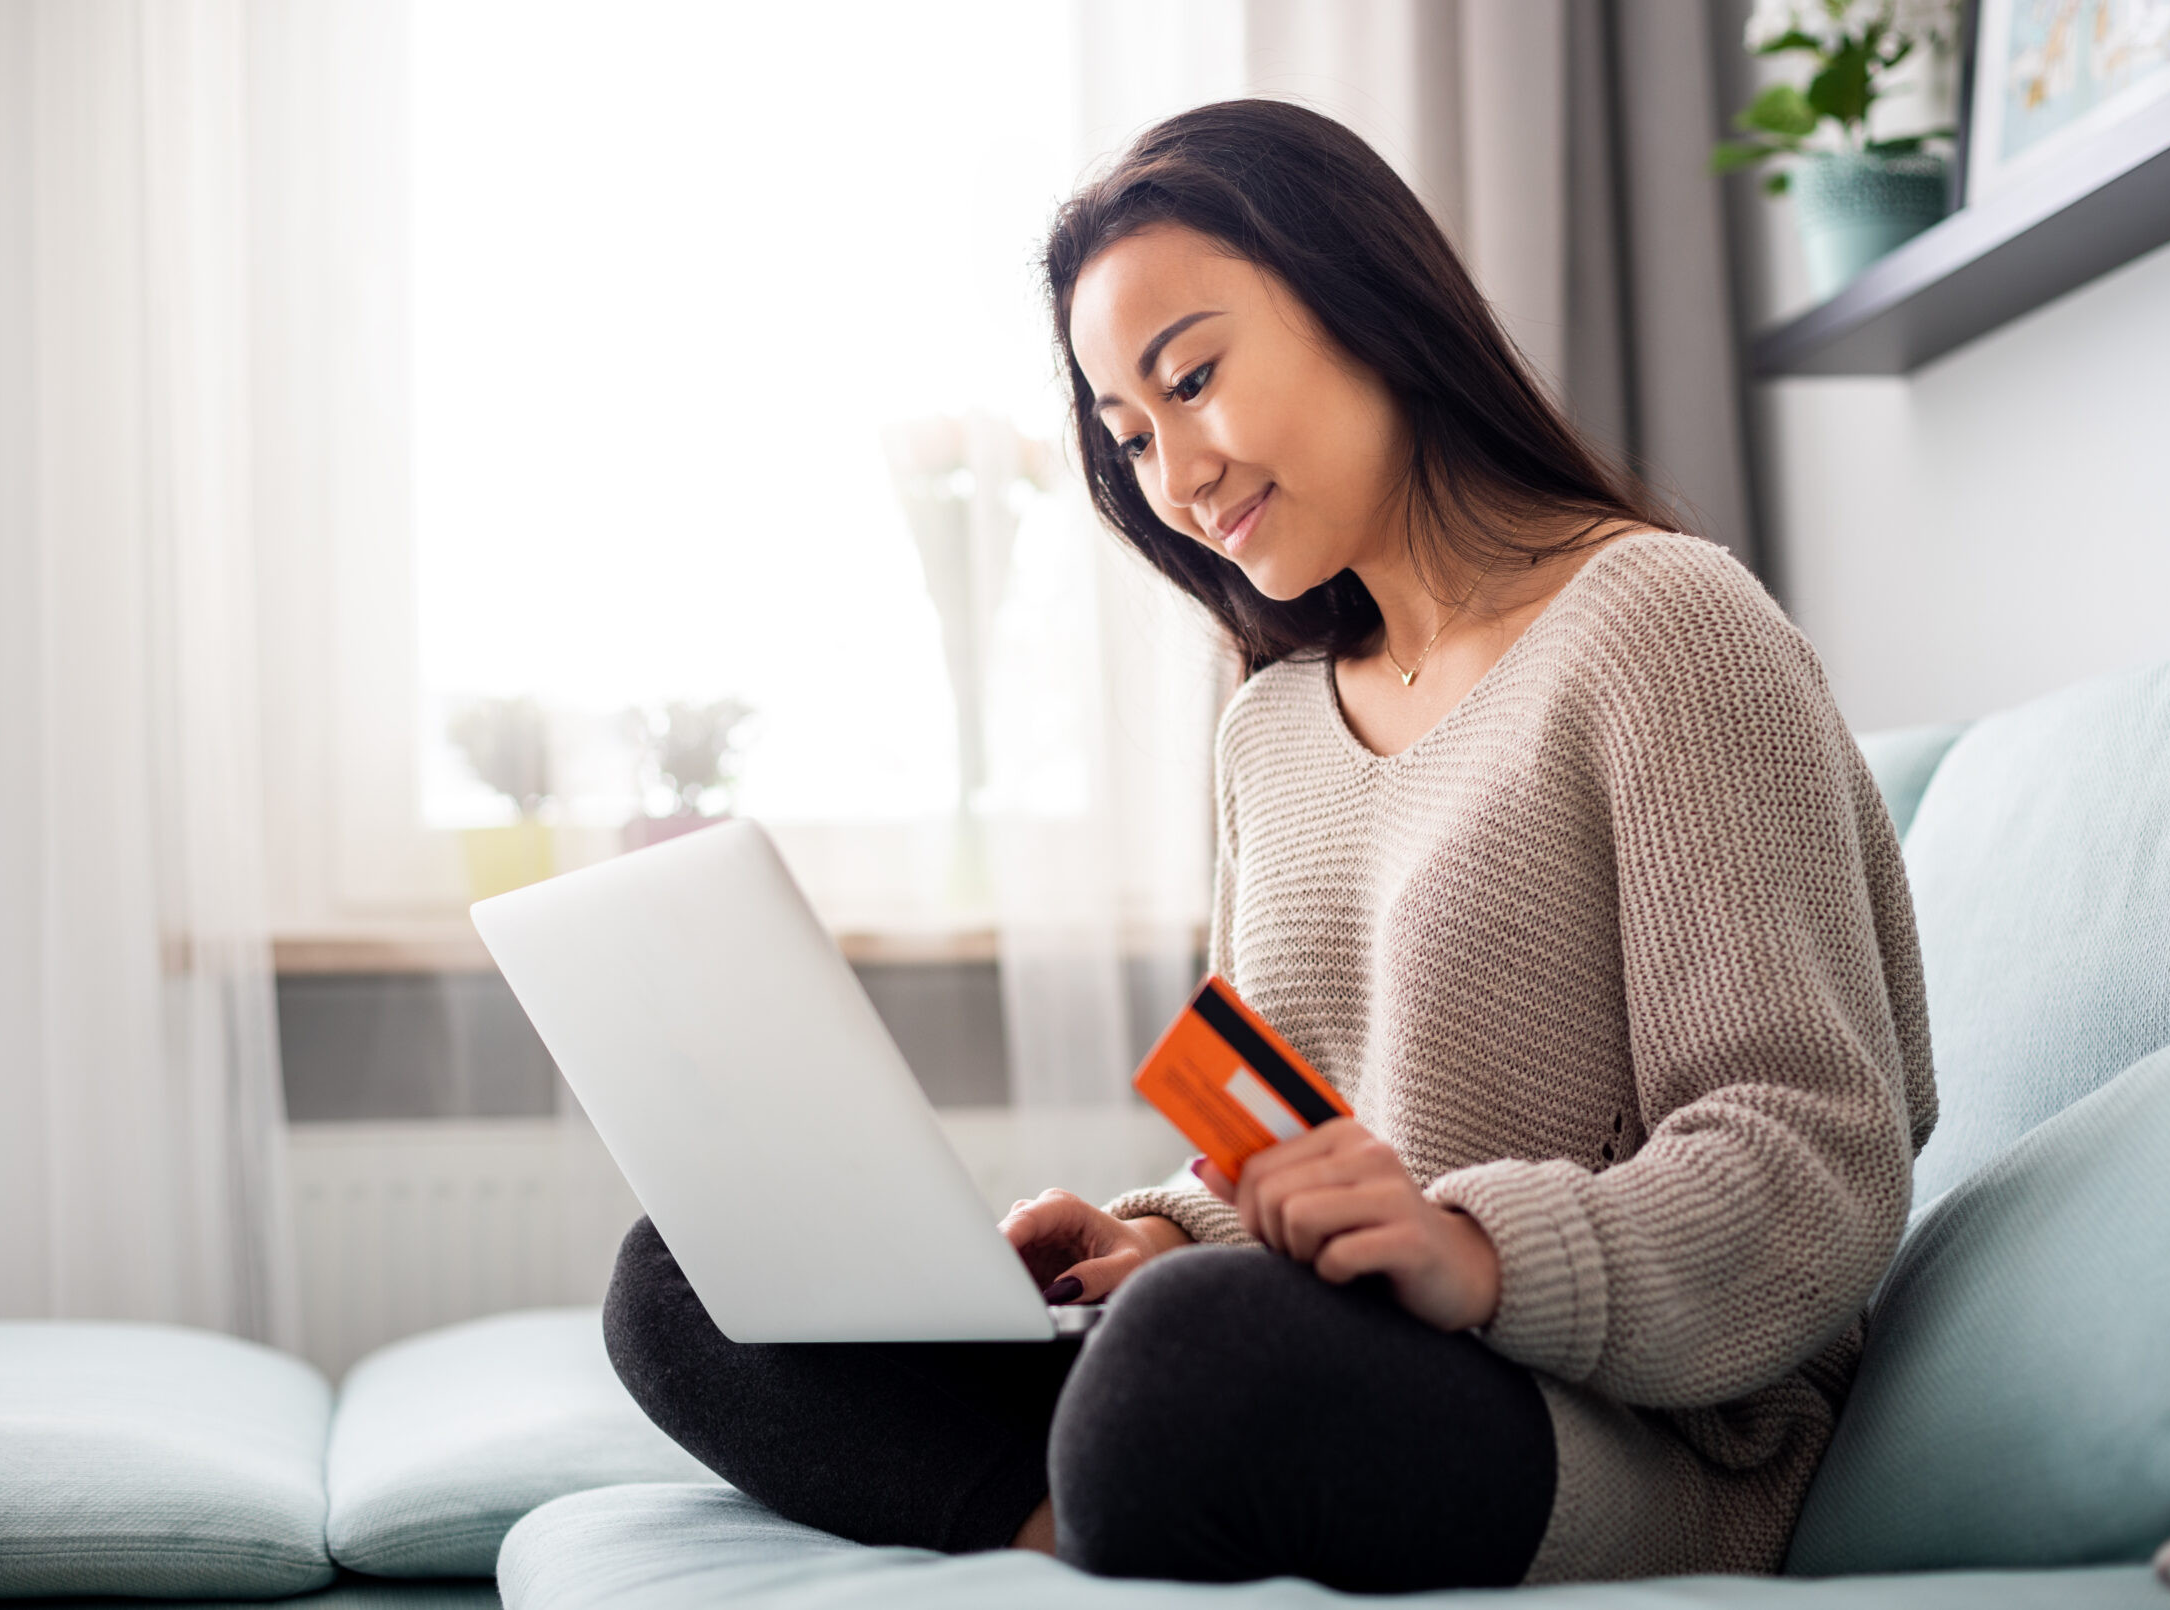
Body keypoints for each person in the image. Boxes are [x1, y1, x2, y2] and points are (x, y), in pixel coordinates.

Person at [602, 98, 1933, 1592]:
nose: (1175, 475)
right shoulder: (1270, 728)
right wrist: (1162, 1232)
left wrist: (1469, 1251)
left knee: (1190, 1368)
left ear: (1363, 293)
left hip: (1628, 1429)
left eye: (1194, 379)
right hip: (1308, 1361)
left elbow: (1813, 1161)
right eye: (1130, 435)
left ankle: (1120, 1488)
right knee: (696, 1276)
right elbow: (1268, 1138)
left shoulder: (1665, 629)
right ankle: (1102, 1518)